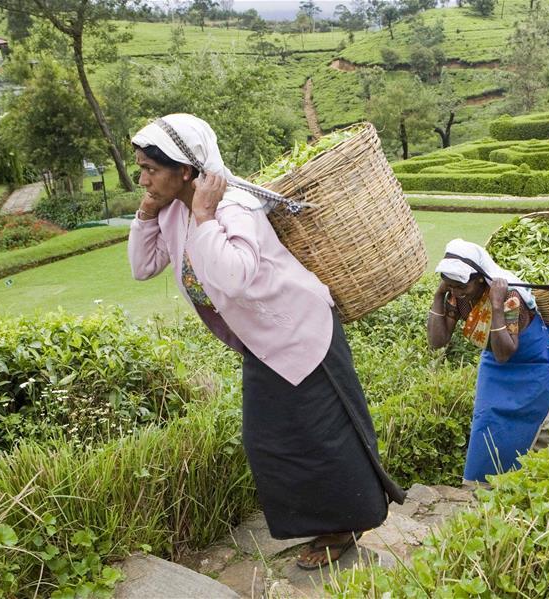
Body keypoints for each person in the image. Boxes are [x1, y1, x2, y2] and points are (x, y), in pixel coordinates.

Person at [127, 114, 405, 570]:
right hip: (263, 340)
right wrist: (146, 213)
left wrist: (203, 216)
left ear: (185, 169)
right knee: (272, 439)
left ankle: (344, 525)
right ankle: (330, 521)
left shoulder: (233, 205)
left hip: (302, 329)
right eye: (141, 168)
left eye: (150, 169)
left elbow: (232, 276)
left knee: (324, 433)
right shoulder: (175, 210)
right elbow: (143, 266)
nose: (143, 178)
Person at [427, 239, 549, 485]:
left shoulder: (510, 296)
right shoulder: (456, 294)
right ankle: (487, 489)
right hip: (495, 364)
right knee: (487, 423)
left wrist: (496, 304)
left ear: (481, 278)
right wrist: (439, 294)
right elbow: (437, 341)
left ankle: (545, 484)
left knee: (540, 430)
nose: (457, 292)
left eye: (461, 286)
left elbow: (506, 352)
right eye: (450, 285)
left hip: (532, 364)